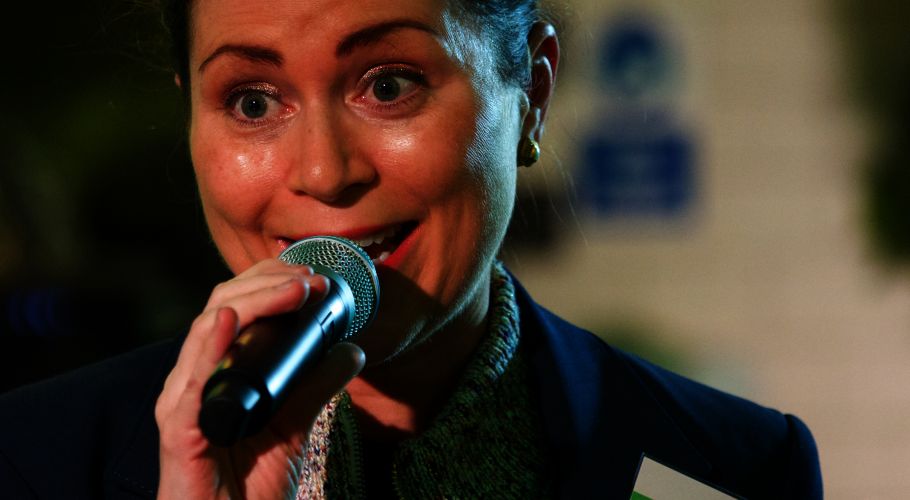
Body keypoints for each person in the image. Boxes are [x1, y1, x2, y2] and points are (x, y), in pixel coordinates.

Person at [0, 0, 822, 498]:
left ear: (532, 94)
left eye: (388, 84)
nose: (323, 172)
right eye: (252, 102)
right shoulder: (34, 459)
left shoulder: (734, 468)